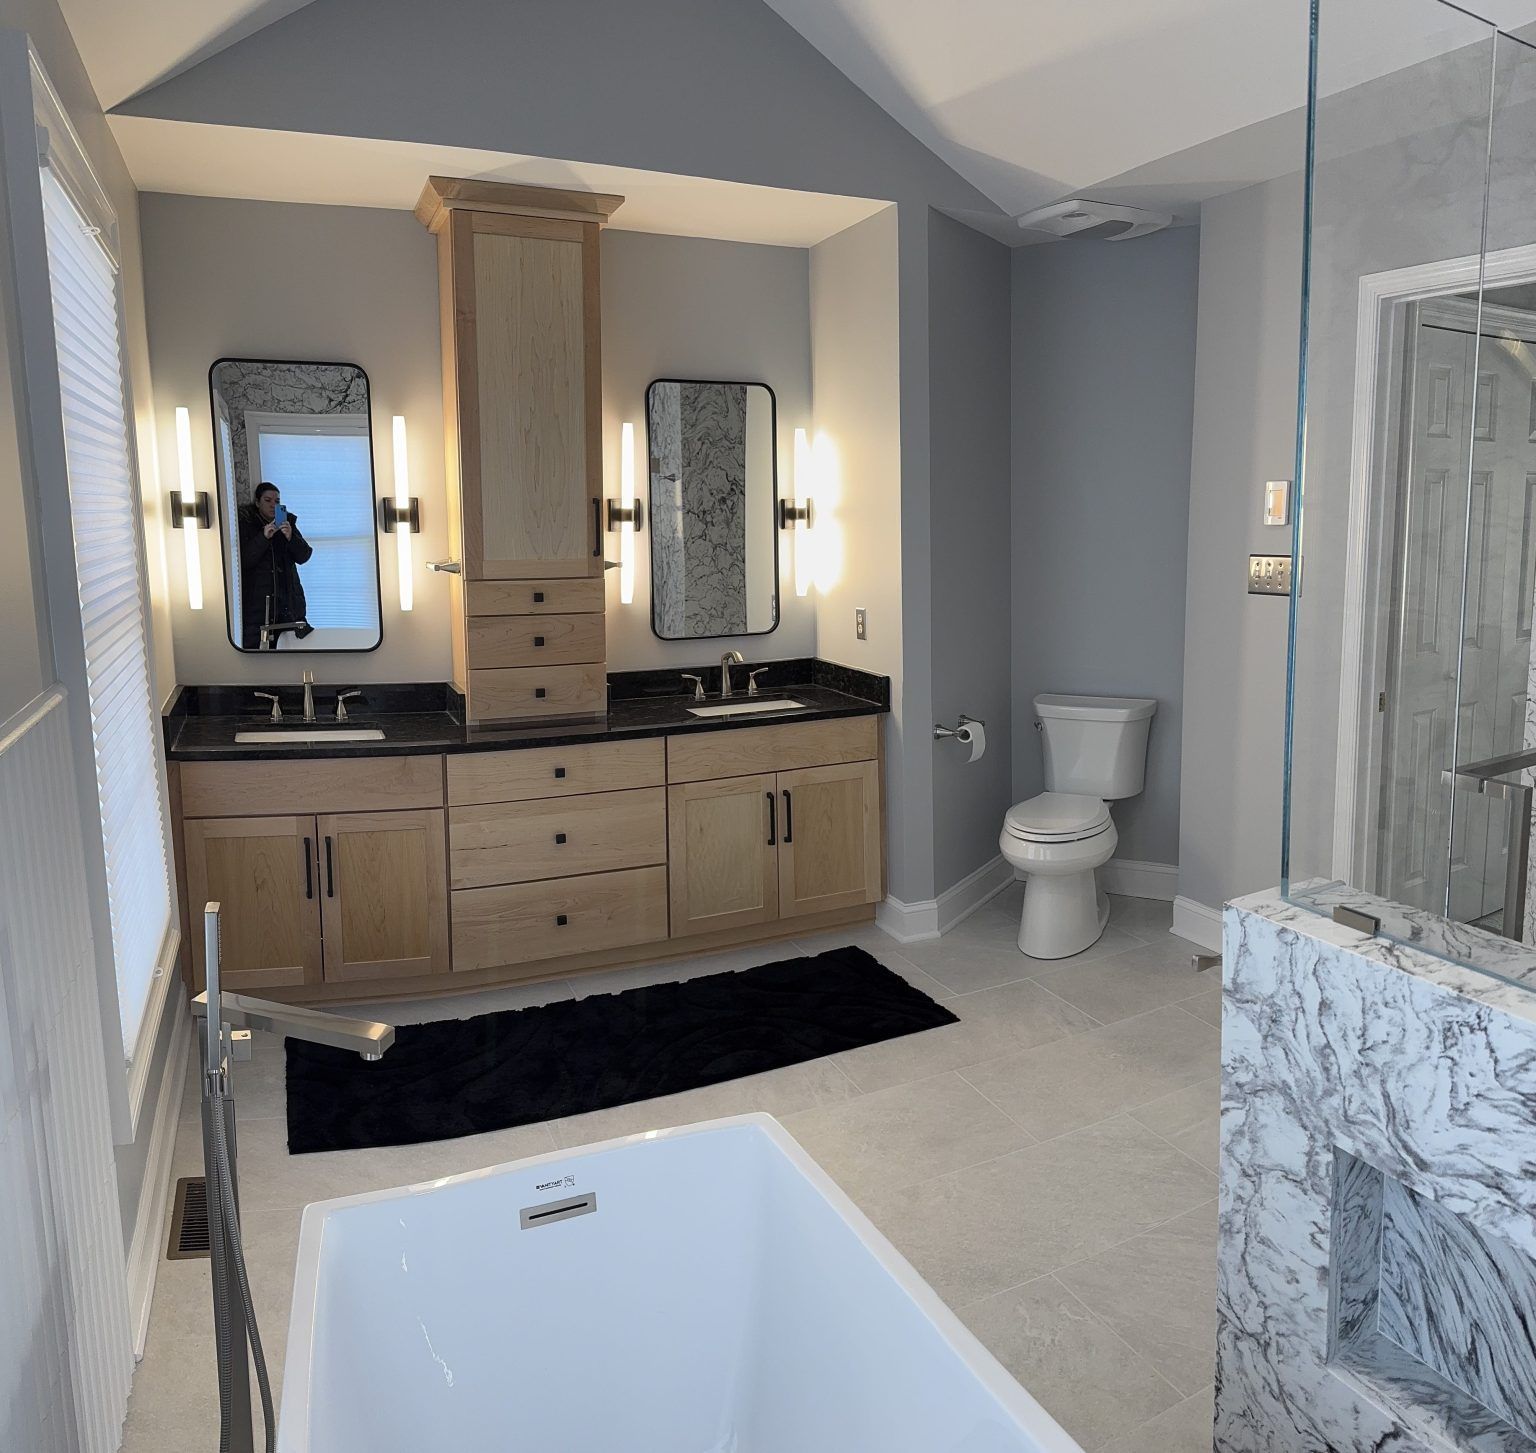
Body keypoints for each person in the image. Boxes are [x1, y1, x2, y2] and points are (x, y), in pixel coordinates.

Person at [238, 482, 313, 648]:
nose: (273, 505)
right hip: (259, 605)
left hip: (288, 604)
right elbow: (244, 561)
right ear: (258, 503)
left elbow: (304, 556)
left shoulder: (288, 524)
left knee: (289, 652)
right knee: (258, 653)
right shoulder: (246, 524)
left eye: (277, 501)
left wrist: (291, 537)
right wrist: (263, 537)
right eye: (268, 500)